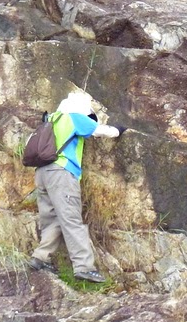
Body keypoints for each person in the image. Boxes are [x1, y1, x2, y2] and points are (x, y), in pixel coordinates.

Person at [28, 91, 124, 283]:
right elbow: (100, 131)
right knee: (71, 218)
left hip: (42, 172)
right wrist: (119, 130)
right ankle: (84, 267)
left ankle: (40, 258)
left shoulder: (51, 118)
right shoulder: (74, 118)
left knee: (52, 219)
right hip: (62, 173)